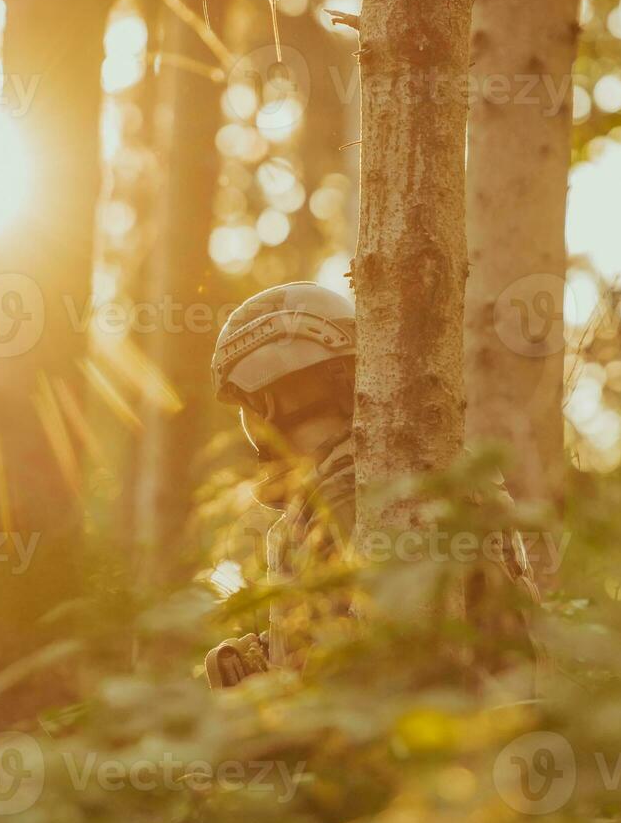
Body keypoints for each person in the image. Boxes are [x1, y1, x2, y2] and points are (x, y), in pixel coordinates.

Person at [204, 282, 540, 689]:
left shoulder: (353, 490)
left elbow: (376, 668)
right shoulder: (416, 467)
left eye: (256, 402)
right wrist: (265, 657)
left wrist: (266, 698)